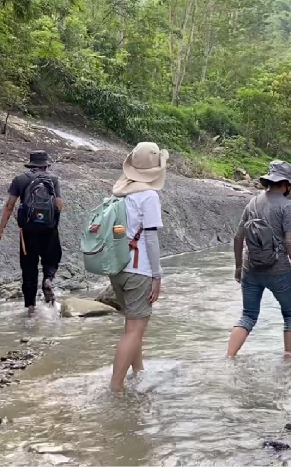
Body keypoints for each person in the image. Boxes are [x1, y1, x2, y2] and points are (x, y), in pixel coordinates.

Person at [227, 160, 291, 358]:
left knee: (248, 316)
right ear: (286, 184)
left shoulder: (253, 202)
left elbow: (238, 236)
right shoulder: (287, 206)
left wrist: (238, 268)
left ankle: (228, 357)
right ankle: (289, 362)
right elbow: (290, 242)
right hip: (279, 270)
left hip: (250, 268)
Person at [108, 142, 168, 393]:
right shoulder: (149, 196)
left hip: (117, 267)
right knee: (134, 330)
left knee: (131, 324)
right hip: (139, 269)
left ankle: (138, 371)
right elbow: (151, 239)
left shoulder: (119, 193)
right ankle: (116, 387)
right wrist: (157, 275)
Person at [0, 150, 63, 317]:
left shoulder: (20, 180)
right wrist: (51, 221)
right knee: (51, 261)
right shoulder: (53, 180)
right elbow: (59, 205)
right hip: (49, 230)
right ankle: (49, 282)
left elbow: (9, 206)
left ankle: (31, 309)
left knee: (29, 269)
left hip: (27, 231)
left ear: (30, 164)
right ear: (46, 165)